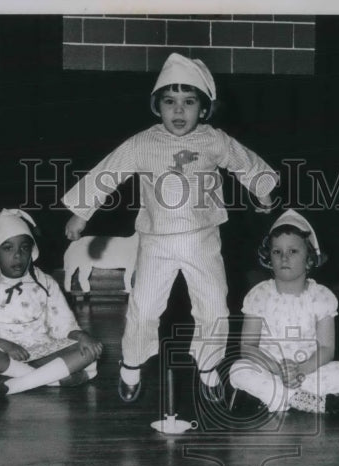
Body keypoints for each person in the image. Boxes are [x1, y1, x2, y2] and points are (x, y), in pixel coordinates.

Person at [61, 52, 278, 404]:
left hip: (203, 240)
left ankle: (209, 370)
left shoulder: (214, 140)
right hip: (156, 242)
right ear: (156, 106)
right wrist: (82, 212)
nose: (179, 111)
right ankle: (131, 366)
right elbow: (109, 171)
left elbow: (245, 162)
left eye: (189, 102)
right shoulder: (143, 143)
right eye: (170, 102)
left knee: (214, 309)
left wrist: (264, 190)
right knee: (144, 308)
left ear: (204, 109)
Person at [229, 210, 339, 416]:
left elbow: (326, 348)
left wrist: (301, 371)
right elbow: (247, 347)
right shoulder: (258, 295)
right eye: (276, 251)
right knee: (238, 369)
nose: (284, 257)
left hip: (306, 372)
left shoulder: (321, 297)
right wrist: (274, 368)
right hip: (269, 370)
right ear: (268, 256)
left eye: (293, 251)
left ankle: (272, 399)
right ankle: (303, 401)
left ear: (309, 258)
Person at [0, 209, 102, 398]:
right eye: (7, 248)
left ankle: (13, 385)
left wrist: (81, 335)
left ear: (32, 250)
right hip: (2, 356)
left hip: (42, 352)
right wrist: (3, 344)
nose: (17, 255)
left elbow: (63, 324)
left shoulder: (45, 281)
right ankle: (52, 379)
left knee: (89, 351)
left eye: (24, 247)